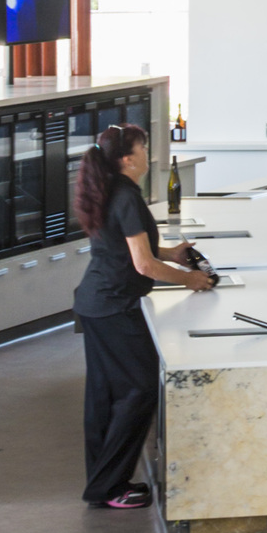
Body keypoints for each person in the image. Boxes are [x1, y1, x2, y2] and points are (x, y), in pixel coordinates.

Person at [72, 122, 220, 509]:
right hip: (114, 305)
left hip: (97, 303)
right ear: (127, 158)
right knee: (139, 388)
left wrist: (172, 254)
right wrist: (190, 279)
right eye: (142, 148)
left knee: (104, 396)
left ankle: (104, 483)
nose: (147, 154)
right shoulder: (126, 197)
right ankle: (110, 486)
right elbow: (143, 266)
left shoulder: (112, 191)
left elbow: (131, 250)